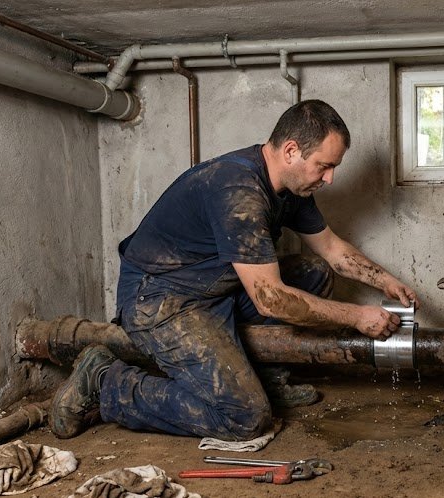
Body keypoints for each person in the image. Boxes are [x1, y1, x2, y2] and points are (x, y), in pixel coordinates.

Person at [50, 99, 419, 440]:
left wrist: (385, 281)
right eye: (324, 166)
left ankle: (267, 380)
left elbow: (333, 250)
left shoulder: (292, 189)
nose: (329, 179)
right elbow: (271, 300)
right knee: (244, 418)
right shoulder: (238, 191)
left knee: (314, 272)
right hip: (161, 299)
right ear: (291, 151)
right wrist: (356, 316)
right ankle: (105, 382)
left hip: (215, 290)